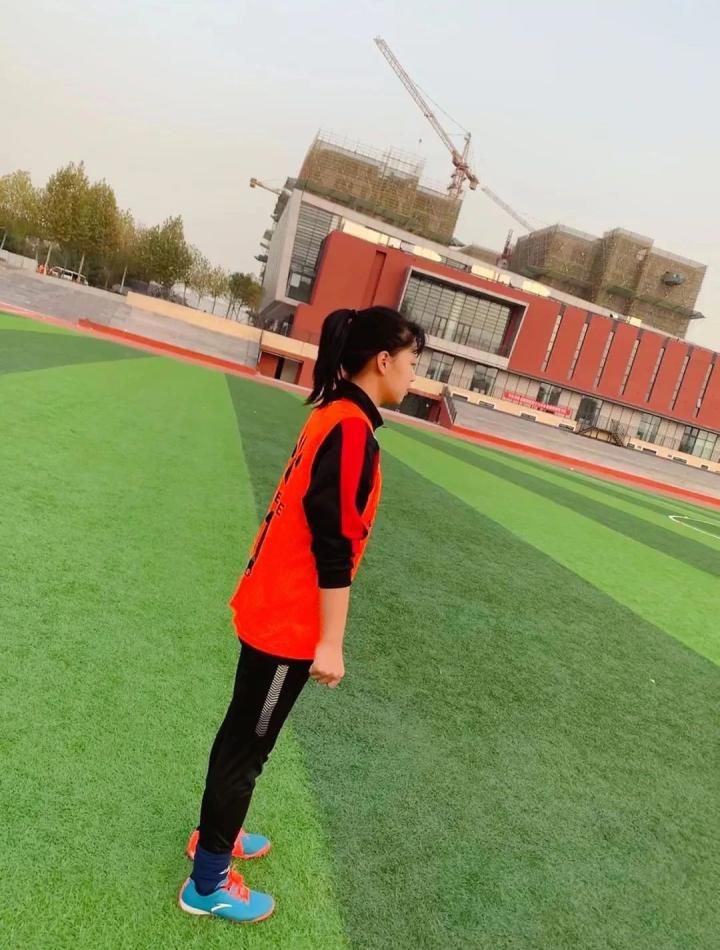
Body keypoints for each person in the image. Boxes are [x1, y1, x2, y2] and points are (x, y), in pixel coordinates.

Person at [178, 306, 425, 924]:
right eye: (412, 361)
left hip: (272, 604)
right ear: (384, 360)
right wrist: (331, 642)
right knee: (248, 748)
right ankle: (207, 883)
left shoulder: (334, 414)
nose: (414, 375)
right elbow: (333, 545)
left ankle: (215, 837)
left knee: (240, 737)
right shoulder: (349, 429)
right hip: (286, 621)